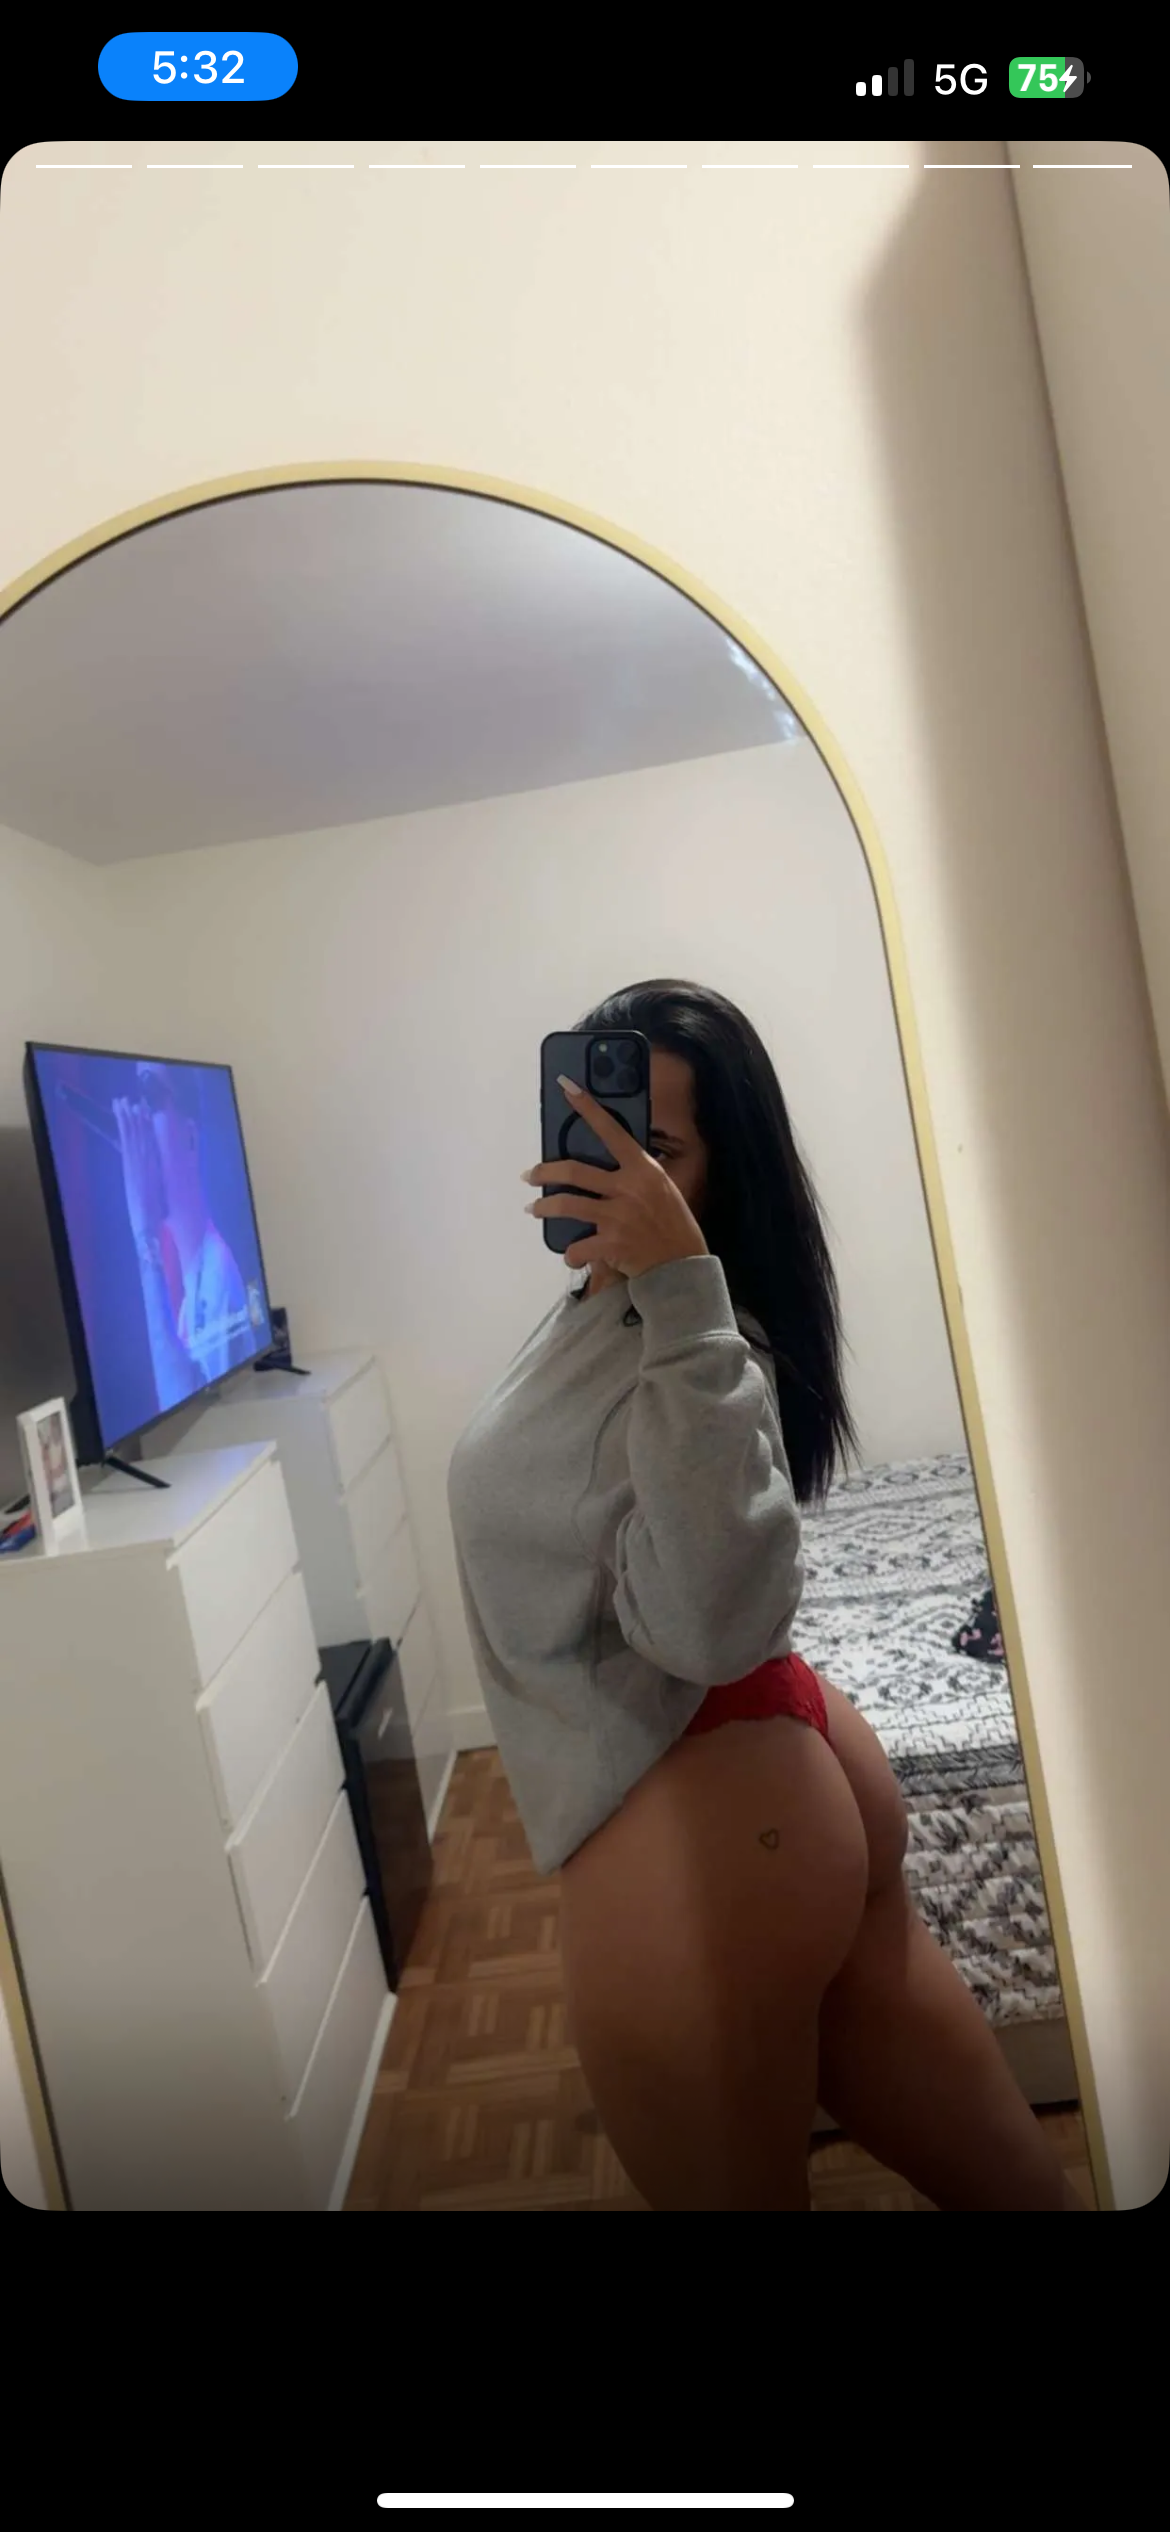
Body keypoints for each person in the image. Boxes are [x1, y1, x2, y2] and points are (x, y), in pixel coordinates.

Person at [448, 980, 1082, 2211]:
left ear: (719, 1176)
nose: (615, 1166)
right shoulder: (615, 1301)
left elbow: (708, 1624)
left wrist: (684, 1288)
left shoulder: (699, 1332)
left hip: (701, 1820)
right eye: (593, 1125)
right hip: (764, 1774)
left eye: (656, 1148)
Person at [114, 1063, 253, 1419]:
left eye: (151, 1097)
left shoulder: (218, 1276)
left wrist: (142, 1228)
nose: (140, 1127)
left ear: (190, 1137)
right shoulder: (192, 1300)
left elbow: (180, 1400)